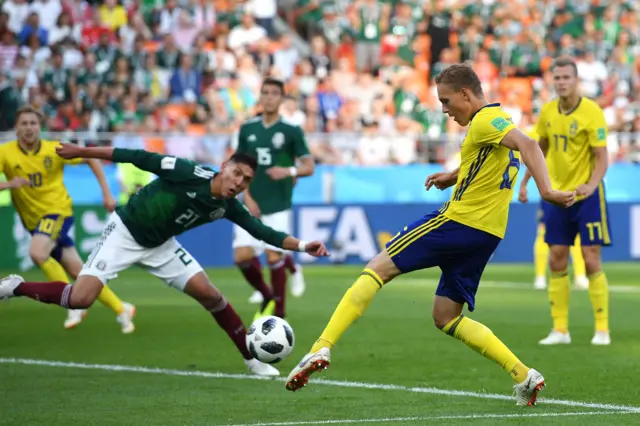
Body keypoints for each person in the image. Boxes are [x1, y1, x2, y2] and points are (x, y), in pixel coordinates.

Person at [284, 64, 575, 406]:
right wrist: (452, 176)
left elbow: (529, 145)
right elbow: (494, 158)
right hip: (487, 235)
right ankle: (523, 374)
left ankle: (321, 347)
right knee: (446, 317)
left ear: (466, 94)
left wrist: (547, 190)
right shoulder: (497, 122)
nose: (444, 110)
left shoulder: (485, 121)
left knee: (376, 268)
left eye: (447, 100)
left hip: (458, 222)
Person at [0, 143, 329, 376]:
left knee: (211, 294)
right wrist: (82, 152)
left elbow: (262, 232)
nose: (239, 183)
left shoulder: (229, 206)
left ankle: (251, 359)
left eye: (246, 181)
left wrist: (302, 245)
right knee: (80, 298)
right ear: (225, 166)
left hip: (160, 245)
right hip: (125, 232)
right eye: (237, 174)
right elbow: (138, 157)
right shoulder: (189, 172)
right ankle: (16, 286)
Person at [0, 105, 135, 333]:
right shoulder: (6, 153)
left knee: (37, 253)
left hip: (57, 211)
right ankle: (121, 308)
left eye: (33, 123)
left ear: (40, 127)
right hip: (34, 221)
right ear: (16, 128)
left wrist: (106, 192)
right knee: (80, 272)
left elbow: (91, 158)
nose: (29, 128)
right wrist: (8, 184)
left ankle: (71, 303)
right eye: (24, 123)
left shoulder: (55, 150)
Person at [518, 57, 611, 346]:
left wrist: (591, 186)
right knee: (557, 257)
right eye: (556, 78)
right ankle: (560, 330)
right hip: (556, 196)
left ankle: (602, 329)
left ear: (576, 80)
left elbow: (602, 156)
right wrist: (524, 182)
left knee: (591, 258)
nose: (561, 82)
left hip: (587, 197)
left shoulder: (592, 112)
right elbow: (537, 149)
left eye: (566, 78)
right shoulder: (547, 111)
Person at [233, 78, 315, 320]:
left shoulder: (291, 131)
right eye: (265, 92)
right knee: (242, 256)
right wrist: (246, 196)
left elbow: (309, 166)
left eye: (274, 93)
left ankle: (279, 313)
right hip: (252, 201)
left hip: (278, 202)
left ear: (281, 99)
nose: (269, 97)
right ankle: (268, 293)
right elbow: (239, 166)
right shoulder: (248, 129)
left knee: (273, 255)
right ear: (260, 96)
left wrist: (288, 171)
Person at [522, 122, 588, 291]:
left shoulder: (575, 130)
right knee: (543, 231)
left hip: (573, 188)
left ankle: (580, 276)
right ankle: (540, 276)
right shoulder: (542, 131)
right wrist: (525, 183)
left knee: (577, 233)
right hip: (550, 191)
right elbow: (531, 157)